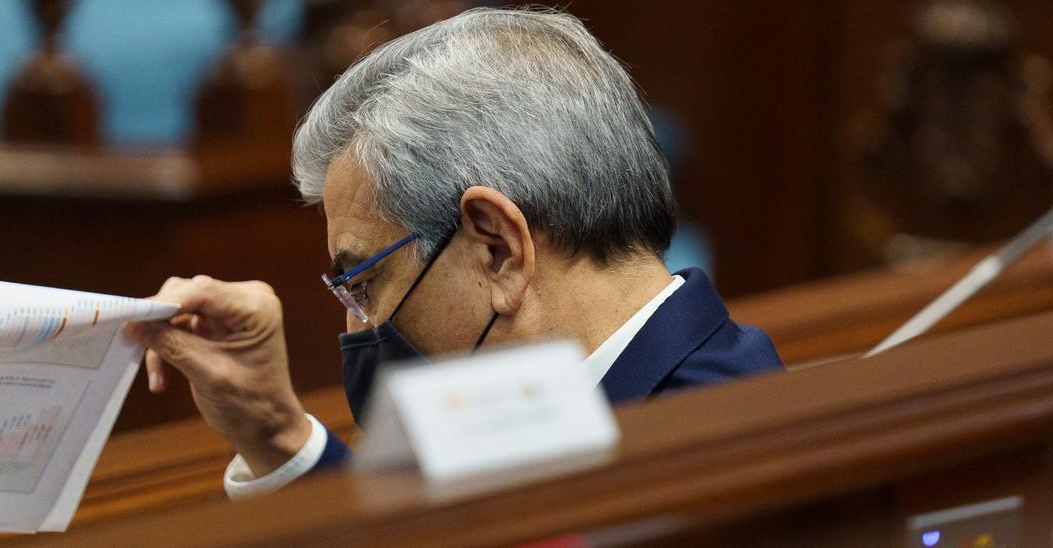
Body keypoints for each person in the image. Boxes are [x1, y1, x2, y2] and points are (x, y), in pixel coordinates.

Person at [125, 7, 783, 500]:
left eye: (365, 281)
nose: (358, 327)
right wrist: (274, 432)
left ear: (498, 248)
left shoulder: (705, 465)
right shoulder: (603, 399)